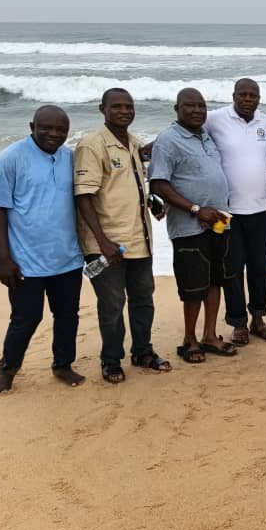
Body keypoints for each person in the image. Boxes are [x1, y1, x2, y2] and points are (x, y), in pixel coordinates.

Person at [74, 88, 170, 384]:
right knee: (112, 304)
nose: (124, 111)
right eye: (116, 106)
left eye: (129, 106)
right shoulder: (92, 145)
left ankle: (142, 351)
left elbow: (131, 183)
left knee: (143, 299)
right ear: (102, 109)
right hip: (107, 244)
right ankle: (111, 360)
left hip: (139, 239)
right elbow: (83, 196)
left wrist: (151, 201)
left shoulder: (133, 142)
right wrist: (102, 242)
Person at [0, 105, 85, 393]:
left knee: (67, 315)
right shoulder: (10, 159)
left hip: (67, 257)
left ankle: (63, 365)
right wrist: (3, 258)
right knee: (26, 318)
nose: (54, 134)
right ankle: (8, 368)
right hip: (25, 261)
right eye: (46, 128)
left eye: (61, 129)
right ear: (32, 127)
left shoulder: (70, 158)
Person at [149, 88, 236, 364]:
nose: (197, 110)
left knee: (215, 281)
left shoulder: (206, 136)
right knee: (193, 287)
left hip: (219, 222)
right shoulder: (168, 139)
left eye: (201, 105)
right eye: (190, 105)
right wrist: (196, 209)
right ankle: (189, 339)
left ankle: (210, 336)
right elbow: (158, 184)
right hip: (189, 228)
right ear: (177, 108)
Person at [205, 78, 266, 347]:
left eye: (253, 95)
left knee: (259, 269)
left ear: (259, 98)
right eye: (243, 94)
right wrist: (150, 148)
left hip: (261, 210)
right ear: (234, 95)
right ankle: (238, 323)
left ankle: (258, 320)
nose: (248, 99)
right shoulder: (215, 119)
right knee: (232, 271)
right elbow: (184, 129)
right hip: (227, 213)